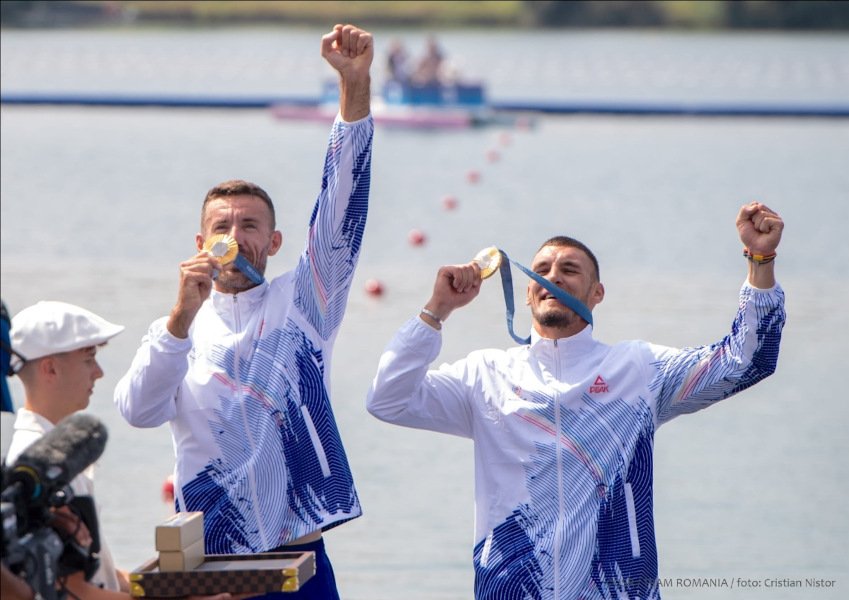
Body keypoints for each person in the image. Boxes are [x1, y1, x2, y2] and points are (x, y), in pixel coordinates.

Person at [367, 202, 785, 600]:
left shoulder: (637, 368)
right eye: (544, 270)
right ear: (529, 292)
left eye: (570, 270)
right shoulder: (485, 375)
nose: (556, 277)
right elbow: (387, 399)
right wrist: (437, 309)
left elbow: (744, 362)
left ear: (597, 292)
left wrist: (759, 263)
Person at [113, 23, 374, 600]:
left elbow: (340, 210)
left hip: (296, 548)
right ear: (201, 241)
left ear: (274, 242)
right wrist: (179, 320)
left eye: (249, 226)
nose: (235, 237)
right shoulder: (176, 329)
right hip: (206, 558)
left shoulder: (304, 303)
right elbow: (136, 410)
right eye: (222, 228)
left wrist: (354, 90)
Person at [6, 300, 128, 596]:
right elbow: (74, 591)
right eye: (89, 359)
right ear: (50, 369)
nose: (98, 372)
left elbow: (97, 576)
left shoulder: (52, 455)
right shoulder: (39, 467)